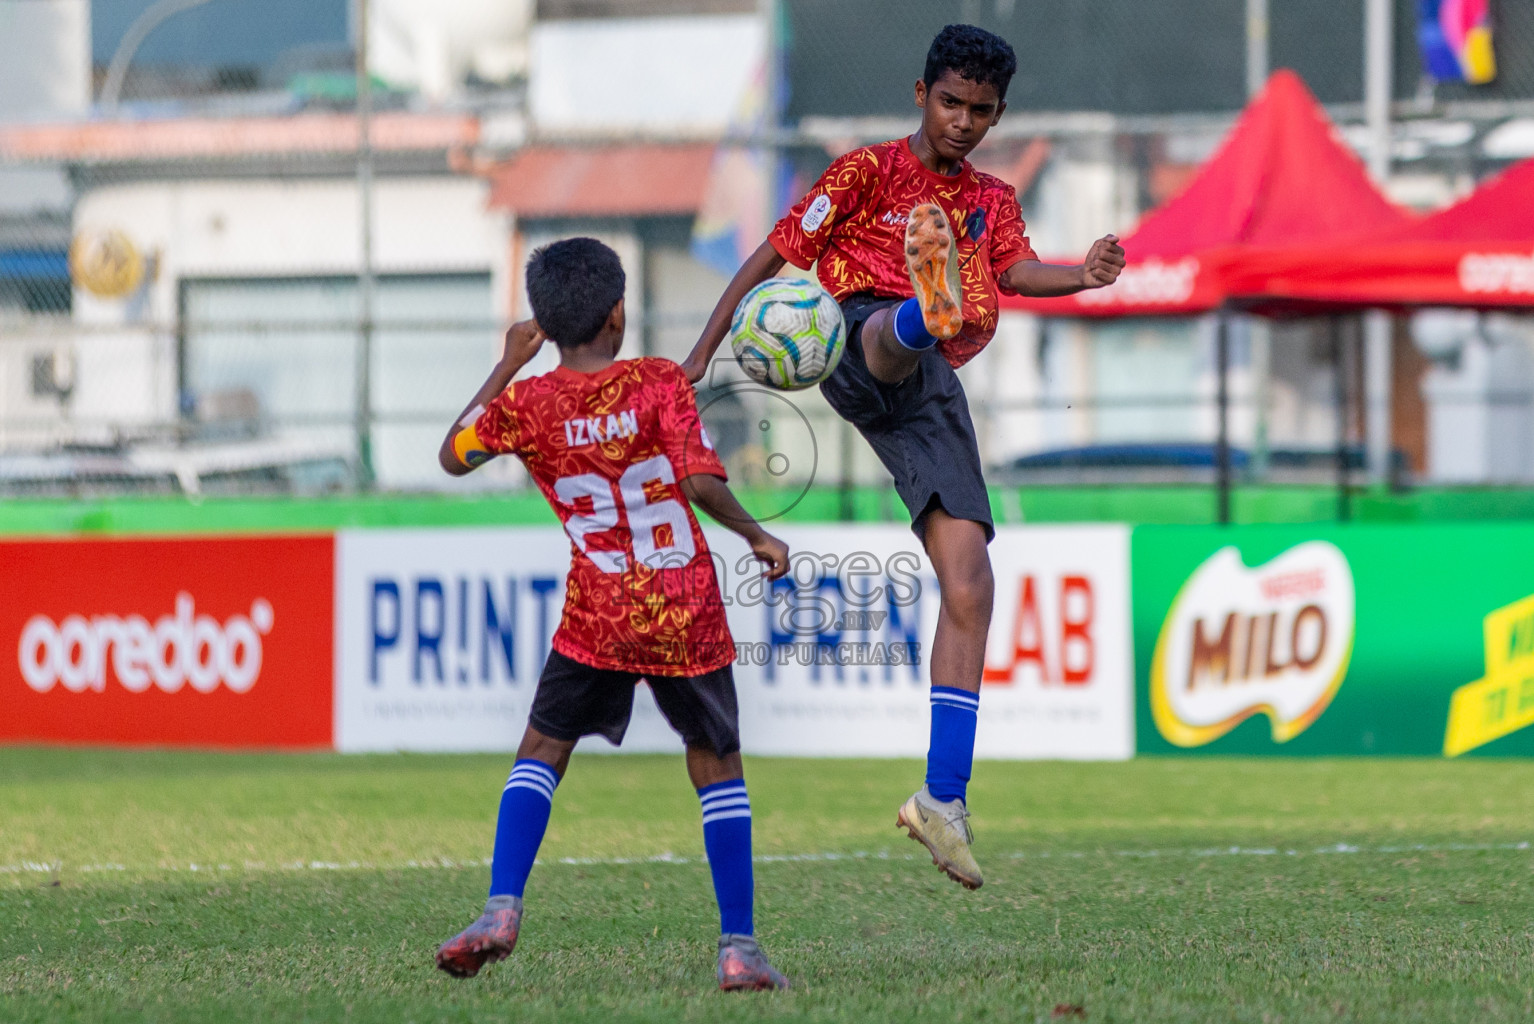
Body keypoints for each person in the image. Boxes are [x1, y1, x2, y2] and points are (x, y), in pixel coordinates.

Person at [683, 24, 1126, 891]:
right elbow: (775, 253)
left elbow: (1020, 271)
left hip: (931, 389)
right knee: (891, 334)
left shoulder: (993, 199)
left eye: (981, 111)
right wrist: (705, 349)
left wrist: (1083, 273)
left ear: (998, 117)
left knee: (970, 581)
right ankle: (927, 305)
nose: (963, 121)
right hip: (852, 338)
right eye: (951, 103)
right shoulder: (866, 172)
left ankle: (943, 802)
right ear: (921, 94)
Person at [435, 237, 792, 991]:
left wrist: (507, 365)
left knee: (542, 750)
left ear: (545, 322)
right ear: (618, 312)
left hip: (597, 615)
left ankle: (501, 910)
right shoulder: (656, 381)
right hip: (683, 610)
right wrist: (756, 532)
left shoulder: (526, 405)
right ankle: (739, 948)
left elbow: (452, 455)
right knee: (716, 764)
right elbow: (697, 479)